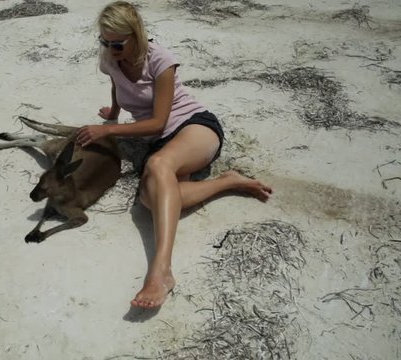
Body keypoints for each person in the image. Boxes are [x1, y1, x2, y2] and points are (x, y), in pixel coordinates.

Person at [75, 1, 273, 309]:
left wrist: (108, 131)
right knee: (149, 200)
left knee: (158, 164)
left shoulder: (160, 60)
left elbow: (158, 122)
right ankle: (226, 182)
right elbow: (116, 84)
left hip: (193, 126)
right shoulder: (110, 59)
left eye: (117, 43)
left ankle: (161, 271)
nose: (110, 48)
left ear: (135, 36)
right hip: (160, 139)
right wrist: (113, 113)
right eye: (104, 41)